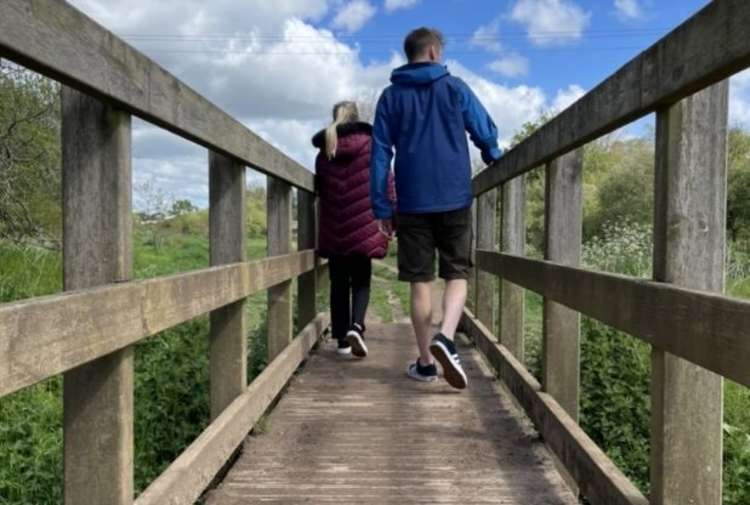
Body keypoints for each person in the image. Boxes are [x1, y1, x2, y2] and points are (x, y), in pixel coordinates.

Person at [370, 28, 502, 389]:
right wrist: (492, 154)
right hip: (454, 196)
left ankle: (427, 362)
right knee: (457, 273)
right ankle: (446, 335)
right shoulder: (454, 86)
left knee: (419, 281)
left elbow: (380, 153)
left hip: (412, 201)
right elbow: (483, 129)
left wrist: (382, 204)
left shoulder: (390, 97)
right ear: (432, 51)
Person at [313, 101, 395, 358]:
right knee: (361, 280)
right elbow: (386, 180)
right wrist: (392, 214)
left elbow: (320, 187)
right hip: (364, 224)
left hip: (335, 225)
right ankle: (357, 326)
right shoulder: (372, 146)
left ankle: (341, 341)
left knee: (338, 282)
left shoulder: (325, 149)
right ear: (357, 118)